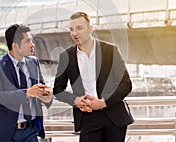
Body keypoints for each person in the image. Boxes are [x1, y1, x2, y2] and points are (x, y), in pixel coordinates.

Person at [53, 11, 133, 142]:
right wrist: (75, 100)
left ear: (90, 28)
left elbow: (126, 84)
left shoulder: (110, 51)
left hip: (113, 115)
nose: (74, 33)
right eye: (71, 29)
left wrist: (103, 103)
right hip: (87, 117)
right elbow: (58, 90)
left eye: (79, 28)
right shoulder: (66, 57)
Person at [0, 24, 53, 142]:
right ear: (15, 46)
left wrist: (46, 97)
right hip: (6, 133)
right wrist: (27, 93)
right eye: (28, 41)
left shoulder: (33, 62)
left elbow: (40, 90)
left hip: (30, 131)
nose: (33, 45)